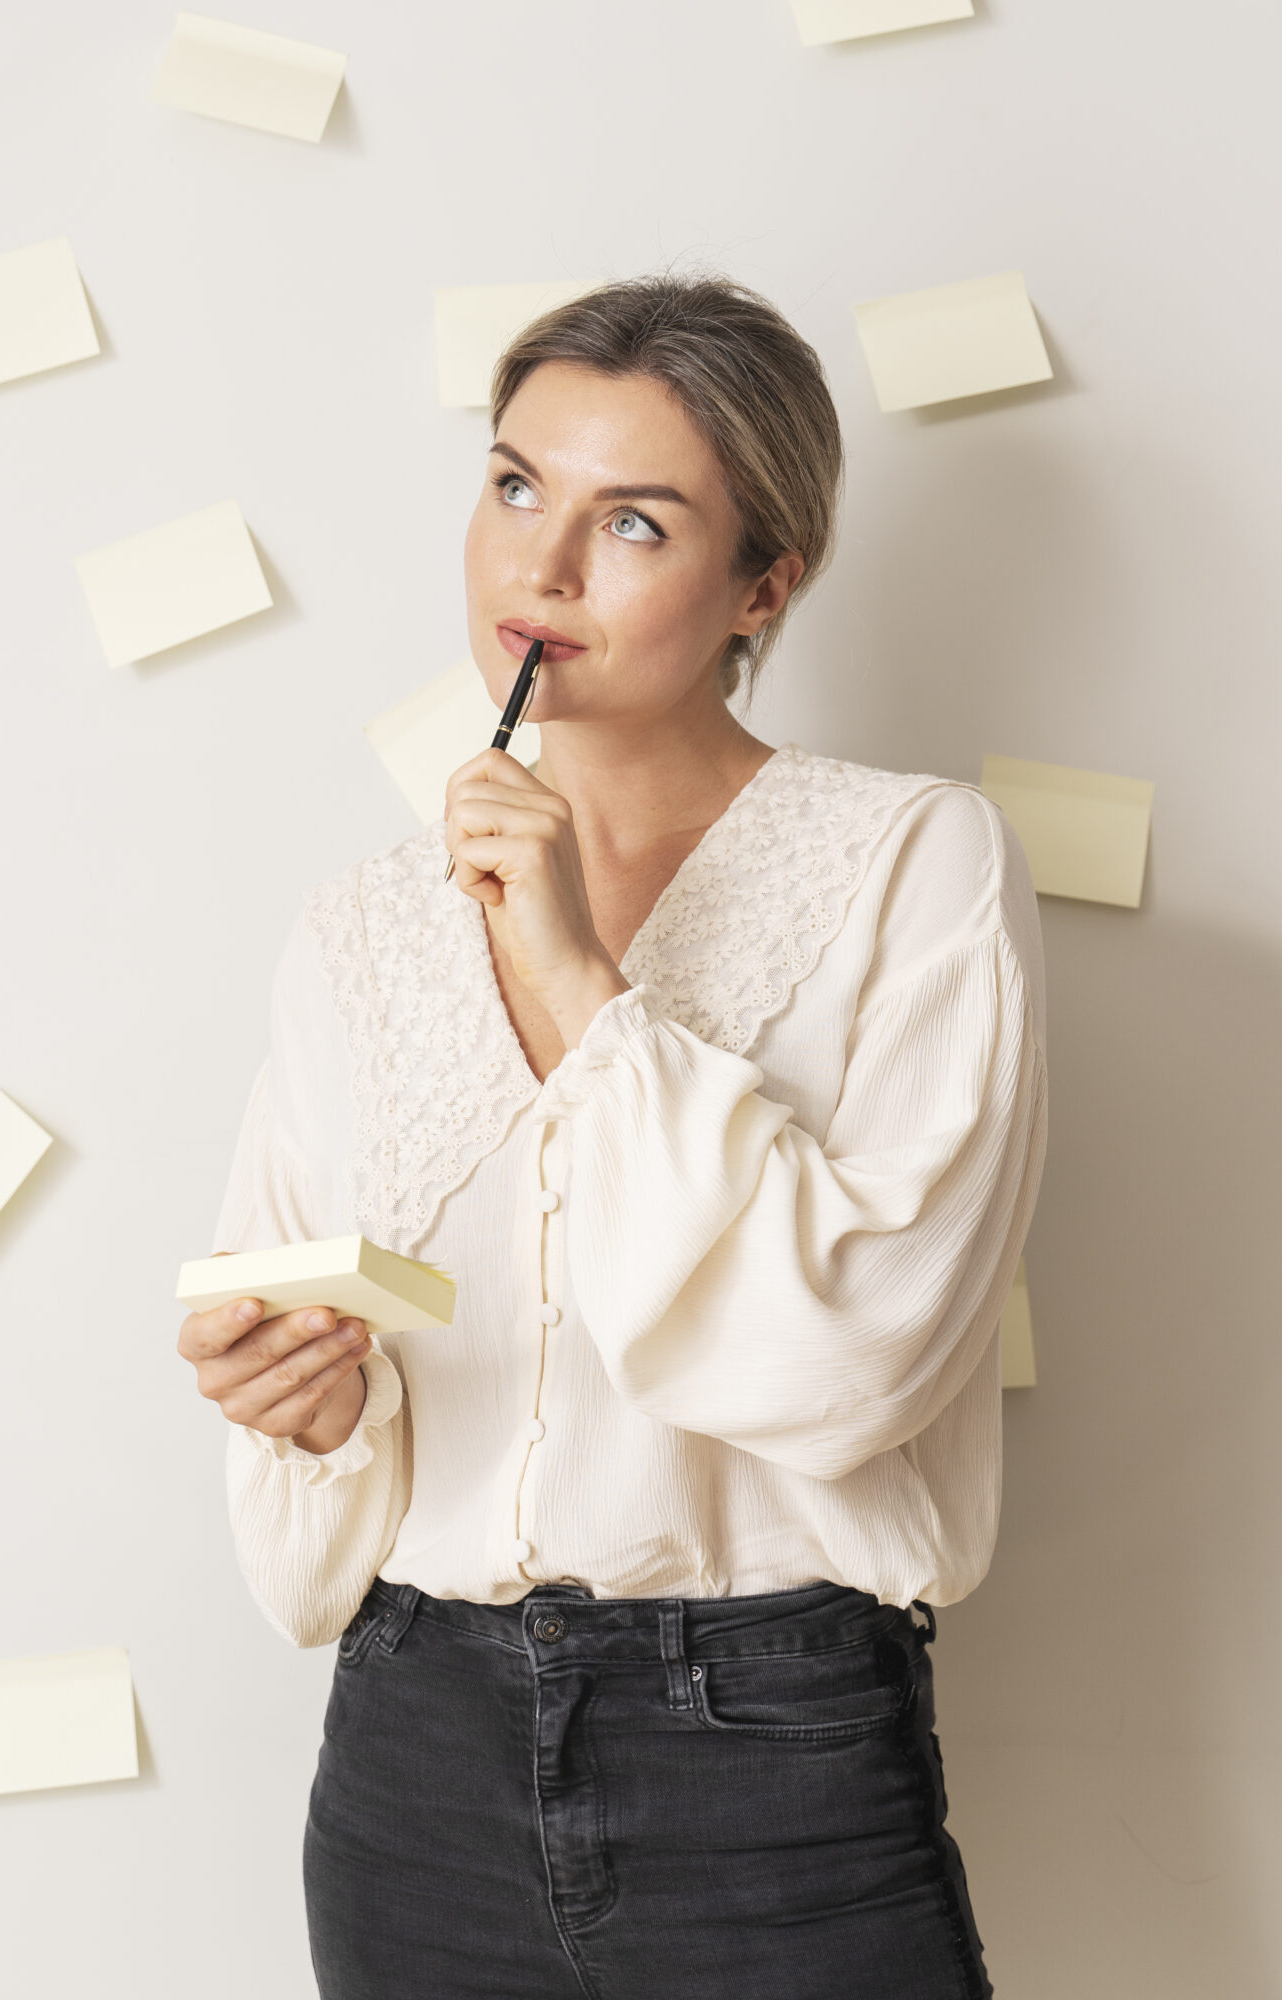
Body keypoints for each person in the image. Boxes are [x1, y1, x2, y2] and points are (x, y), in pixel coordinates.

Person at [178, 275, 1047, 2000]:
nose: (540, 569)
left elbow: (861, 1360)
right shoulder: (360, 927)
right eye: (514, 487)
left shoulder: (915, 866)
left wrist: (577, 975)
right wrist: (315, 1405)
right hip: (412, 1752)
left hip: (776, 1750)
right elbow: (311, 1430)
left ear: (764, 585)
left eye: (631, 522)